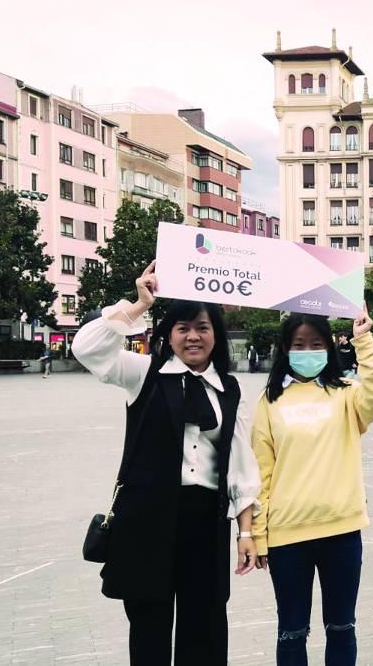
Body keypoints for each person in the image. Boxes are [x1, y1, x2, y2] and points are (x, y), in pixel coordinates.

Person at [72, 261, 262, 666]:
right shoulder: (145, 373)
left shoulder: (229, 390)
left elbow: (241, 464)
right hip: (146, 522)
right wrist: (139, 305)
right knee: (149, 629)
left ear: (216, 335)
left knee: (206, 629)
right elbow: (86, 348)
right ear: (169, 334)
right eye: (182, 328)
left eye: (203, 327)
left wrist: (246, 531)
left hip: (205, 524)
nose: (193, 336)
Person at [252, 309, 373, 666]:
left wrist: (364, 342)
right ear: (285, 349)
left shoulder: (346, 394)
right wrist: (258, 534)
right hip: (287, 538)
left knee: (342, 627)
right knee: (292, 632)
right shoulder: (269, 402)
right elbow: (260, 475)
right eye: (299, 344)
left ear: (330, 348)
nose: (308, 351)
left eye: (316, 344)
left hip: (342, 531)